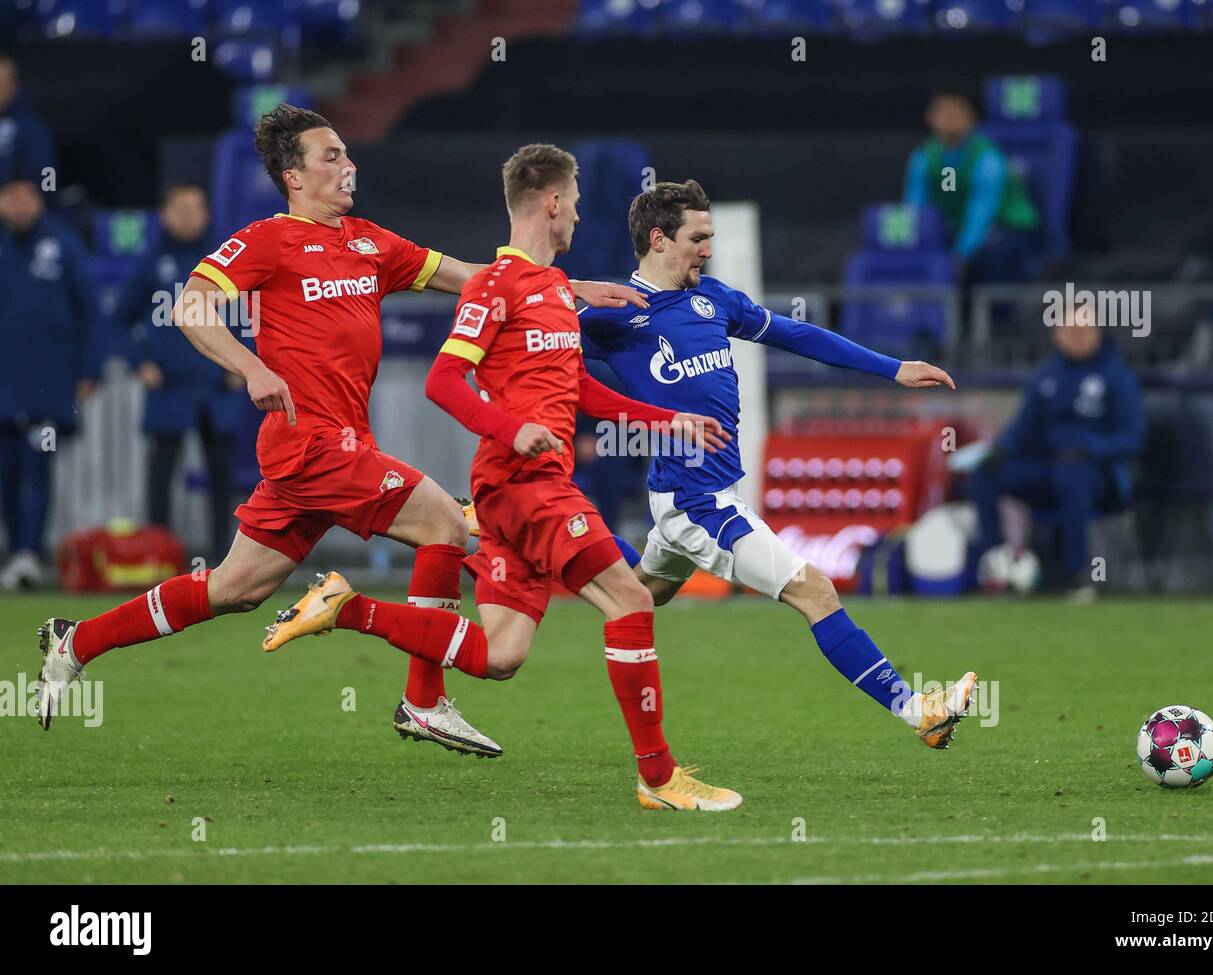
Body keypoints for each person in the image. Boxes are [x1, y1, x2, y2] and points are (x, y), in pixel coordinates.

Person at [33, 106, 642, 758]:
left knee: (234, 588)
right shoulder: (268, 239)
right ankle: (425, 700)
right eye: (330, 157)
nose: (348, 165)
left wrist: (563, 286)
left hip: (339, 448)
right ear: (292, 175)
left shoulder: (370, 242)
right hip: (309, 444)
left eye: (347, 153)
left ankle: (77, 642)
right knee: (442, 521)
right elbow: (190, 305)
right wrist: (249, 364)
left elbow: (471, 278)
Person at [580, 179, 978, 749]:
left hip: (689, 492)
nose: (708, 249)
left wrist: (892, 369)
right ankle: (920, 713)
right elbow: (536, 347)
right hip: (698, 504)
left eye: (712, 237)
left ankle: (530, 544)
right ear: (659, 239)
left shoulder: (712, 298)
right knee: (815, 592)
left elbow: (796, 334)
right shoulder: (614, 315)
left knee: (642, 590)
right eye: (698, 238)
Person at [417, 144, 742, 811]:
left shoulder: (554, 291)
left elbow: (583, 392)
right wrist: (510, 428)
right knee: (631, 599)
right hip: (527, 484)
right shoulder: (496, 285)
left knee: (501, 654)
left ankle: (344, 607)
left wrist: (664, 419)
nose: (580, 216)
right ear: (553, 203)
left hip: (522, 490)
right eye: (578, 202)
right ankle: (661, 778)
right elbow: (443, 380)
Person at [969, 305, 1143, 600]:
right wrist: (1001, 450)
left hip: (1097, 476)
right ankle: (997, 565)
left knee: (1072, 475)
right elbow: (1022, 429)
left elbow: (1131, 438)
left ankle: (1077, 576)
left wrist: (1090, 449)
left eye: (1084, 330)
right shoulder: (1047, 376)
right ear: (1057, 335)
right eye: (1070, 331)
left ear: (1098, 334)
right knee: (985, 473)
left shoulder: (1117, 377)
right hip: (1048, 470)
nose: (1077, 337)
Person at [115, 183, 243, 561]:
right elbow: (119, 320)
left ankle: (226, 560)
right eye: (179, 208)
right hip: (169, 388)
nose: (188, 216)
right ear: (165, 213)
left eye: (195, 207)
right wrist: (141, 362)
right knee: (162, 474)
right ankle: (159, 555)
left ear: (207, 212)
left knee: (223, 476)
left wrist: (245, 363)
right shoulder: (152, 260)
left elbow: (254, 313)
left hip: (218, 386)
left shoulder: (227, 256)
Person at [0, 178, 100, 590]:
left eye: (27, 196)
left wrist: (88, 371)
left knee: (37, 470)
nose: (20, 205)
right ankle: (17, 551)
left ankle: (28, 554)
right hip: (4, 390)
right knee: (6, 472)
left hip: (48, 388)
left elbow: (91, 311)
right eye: (11, 197)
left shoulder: (62, 245)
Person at [904, 92, 1042, 283]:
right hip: (957, 226)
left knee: (990, 257)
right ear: (931, 119)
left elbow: (982, 211)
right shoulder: (925, 156)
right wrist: (917, 241)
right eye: (943, 114)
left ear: (971, 120)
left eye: (956, 114)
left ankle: (997, 311)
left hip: (1008, 224)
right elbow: (915, 207)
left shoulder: (988, 158)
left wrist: (961, 254)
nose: (950, 121)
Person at [0, 54, 57, 187]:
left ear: (14, 87)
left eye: (3, 85)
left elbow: (49, 171)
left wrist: (40, 194)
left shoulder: (33, 127)